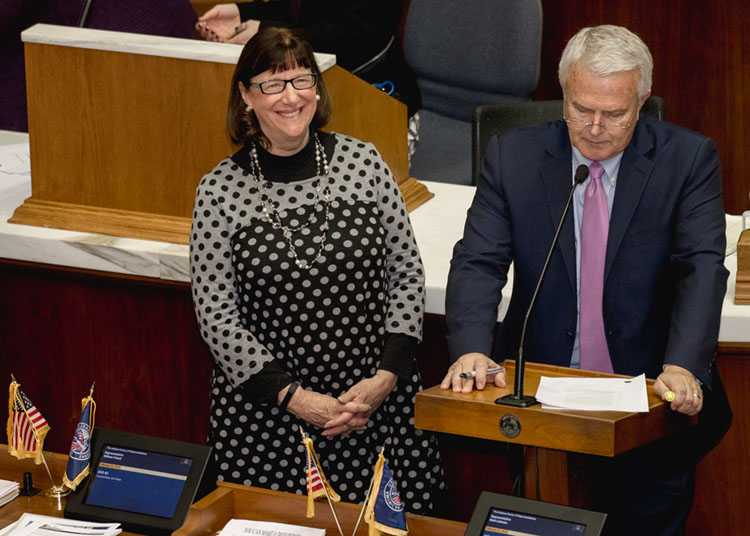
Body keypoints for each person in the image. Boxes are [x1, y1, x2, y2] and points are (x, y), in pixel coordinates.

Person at [441, 25, 731, 536]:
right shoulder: (515, 158)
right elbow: (478, 261)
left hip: (648, 402)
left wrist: (683, 365)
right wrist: (471, 348)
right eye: (581, 108)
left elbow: (700, 268)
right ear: (563, 93)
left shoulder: (687, 160)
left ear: (641, 101)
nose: (595, 126)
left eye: (615, 113)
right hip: (540, 406)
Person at [190, 26, 443, 514]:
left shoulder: (364, 162)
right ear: (245, 95)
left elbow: (407, 274)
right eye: (271, 83)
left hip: (377, 409)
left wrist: (386, 377)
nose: (290, 96)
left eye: (301, 80)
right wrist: (296, 398)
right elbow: (217, 317)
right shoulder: (218, 191)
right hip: (270, 422)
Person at [194, 1, 421, 155]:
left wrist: (265, 29)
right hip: (318, 92)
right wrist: (242, 13)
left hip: (374, 98)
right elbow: (298, 9)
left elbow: (359, 30)